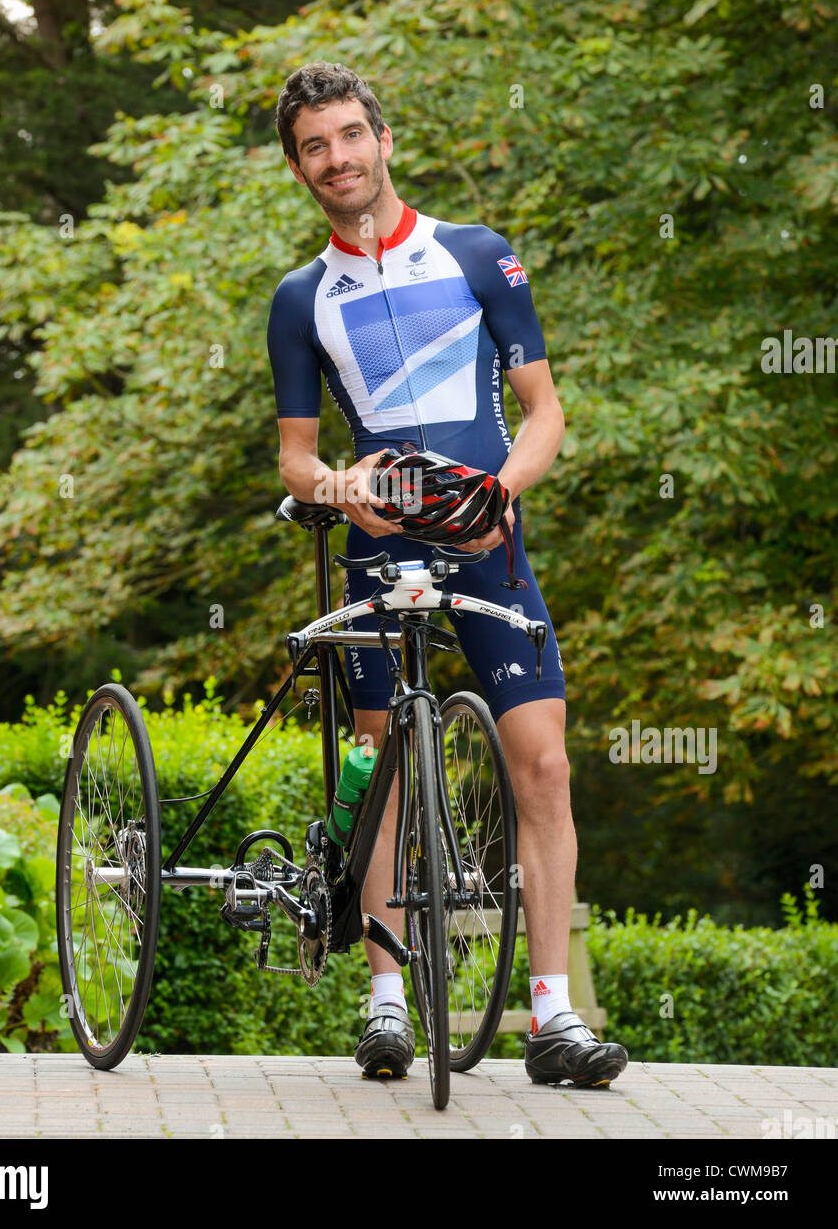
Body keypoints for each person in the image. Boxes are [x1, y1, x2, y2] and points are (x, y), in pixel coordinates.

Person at [266, 61, 628, 1088]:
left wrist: (502, 489)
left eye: (346, 134)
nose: (335, 157)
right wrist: (340, 487)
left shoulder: (475, 255)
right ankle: (386, 1004)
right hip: (377, 544)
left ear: (382, 136)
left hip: (484, 536)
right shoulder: (300, 300)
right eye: (312, 146)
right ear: (298, 169)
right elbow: (295, 456)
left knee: (544, 766)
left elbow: (544, 410)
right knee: (375, 766)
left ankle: (551, 1021)